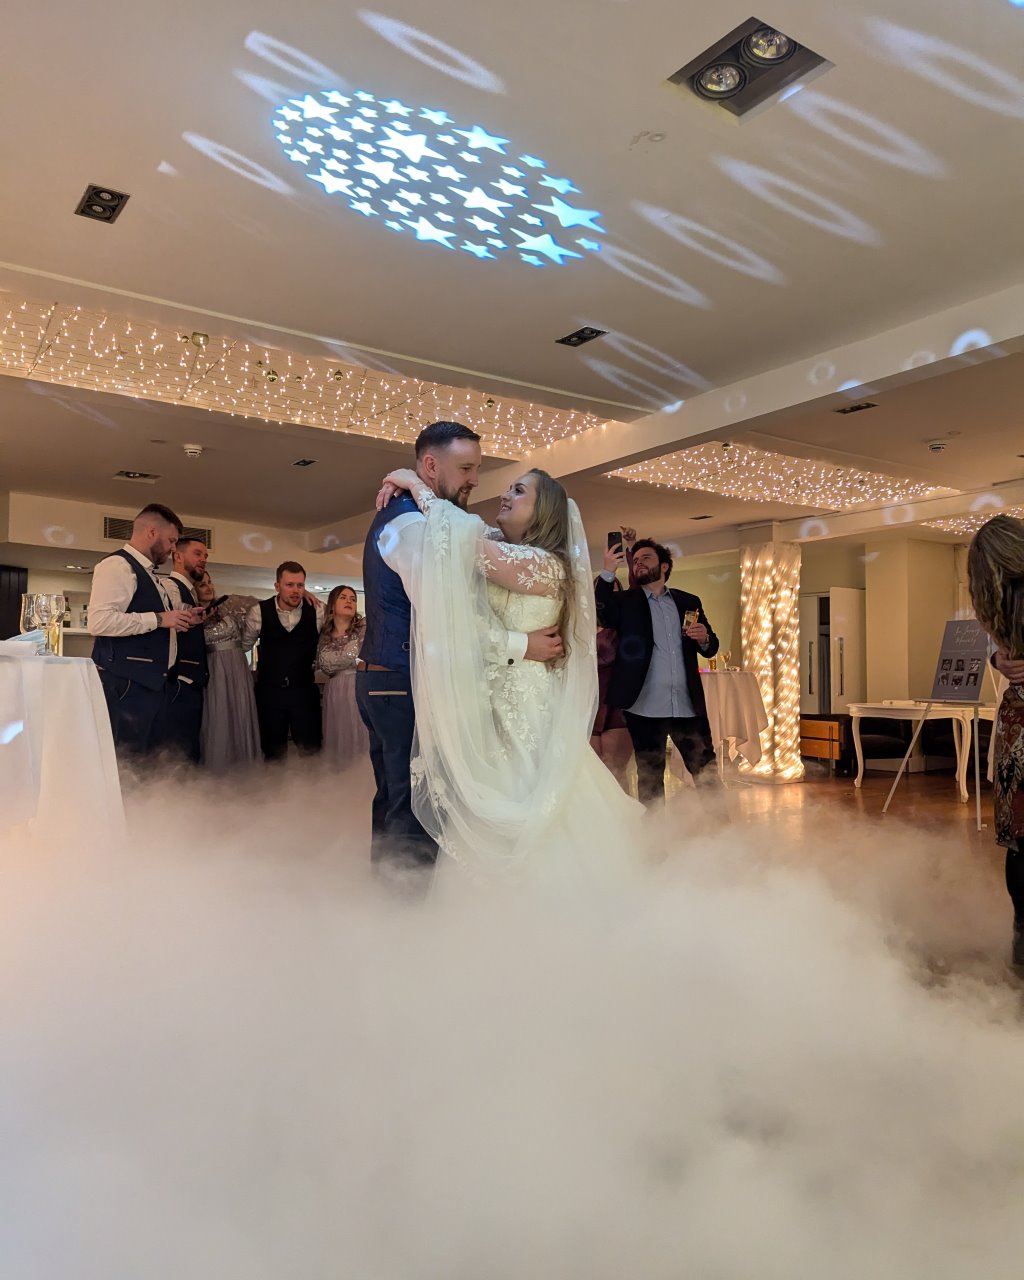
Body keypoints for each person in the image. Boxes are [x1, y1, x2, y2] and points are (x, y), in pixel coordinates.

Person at [377, 461, 643, 893]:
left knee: (531, 803)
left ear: (543, 514)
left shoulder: (547, 565)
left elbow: (462, 544)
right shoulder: (504, 549)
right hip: (491, 700)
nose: (505, 495)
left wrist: (414, 483)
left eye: (519, 491)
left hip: (527, 704)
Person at [359, 421, 566, 887]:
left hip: (396, 679)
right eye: (467, 468)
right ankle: (402, 916)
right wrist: (522, 645)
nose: (477, 480)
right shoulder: (412, 524)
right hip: (401, 681)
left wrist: (411, 481)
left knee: (399, 800)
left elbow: (471, 544)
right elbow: (445, 615)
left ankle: (387, 908)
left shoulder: (434, 522)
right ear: (431, 465)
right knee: (415, 807)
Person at [595, 538, 719, 806]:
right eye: (636, 560)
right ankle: (654, 841)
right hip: (645, 707)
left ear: (664, 566)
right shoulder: (626, 602)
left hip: (687, 706)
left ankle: (723, 831)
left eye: (646, 558)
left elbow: (711, 649)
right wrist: (607, 572)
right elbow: (603, 613)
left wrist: (704, 638)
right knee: (650, 777)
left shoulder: (689, 601)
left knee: (706, 771)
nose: (639, 563)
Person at [88, 503, 203, 758]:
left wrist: (183, 618)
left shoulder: (151, 575)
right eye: (171, 540)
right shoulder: (118, 566)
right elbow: (100, 621)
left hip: (150, 685)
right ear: (152, 532)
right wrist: (160, 619)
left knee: (147, 763)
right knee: (127, 763)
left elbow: (156, 621)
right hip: (127, 684)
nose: (174, 548)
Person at [967, 514, 1024, 966]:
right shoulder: (1002, 599)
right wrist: (999, 658)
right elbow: (1001, 649)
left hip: (1016, 727)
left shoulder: (997, 594)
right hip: (1017, 728)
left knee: (1020, 844)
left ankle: (1022, 942)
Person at [243, 562, 324, 761]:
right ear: (277, 586)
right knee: (272, 752)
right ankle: (272, 791)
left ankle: (314, 791)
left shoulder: (318, 612)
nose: (295, 590)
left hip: (304, 691)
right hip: (270, 692)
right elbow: (243, 646)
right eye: (290, 585)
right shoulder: (259, 612)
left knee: (311, 750)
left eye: (300, 585)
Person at [197, 572, 261, 773]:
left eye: (210, 582)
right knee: (219, 713)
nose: (208, 587)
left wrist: (304, 595)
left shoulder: (229, 606)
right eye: (202, 585)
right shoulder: (191, 613)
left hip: (237, 665)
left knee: (241, 710)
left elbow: (265, 606)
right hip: (214, 667)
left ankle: (244, 764)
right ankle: (220, 768)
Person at [591, 527, 637, 791]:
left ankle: (628, 824)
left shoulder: (622, 626)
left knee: (614, 770)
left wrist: (629, 551)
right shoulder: (580, 629)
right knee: (595, 772)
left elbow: (636, 590)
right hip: (590, 703)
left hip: (615, 704)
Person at [163, 536, 210, 764]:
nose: (203, 560)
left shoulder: (190, 591)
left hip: (191, 681)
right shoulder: (170, 587)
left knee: (190, 747)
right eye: (198, 554)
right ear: (178, 556)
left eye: (205, 556)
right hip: (179, 681)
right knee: (178, 750)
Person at [316, 585, 369, 769]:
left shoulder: (364, 628)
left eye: (353, 599)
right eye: (343, 597)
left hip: (358, 687)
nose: (349, 601)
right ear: (332, 604)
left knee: (360, 734)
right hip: (334, 692)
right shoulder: (323, 633)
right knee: (339, 737)